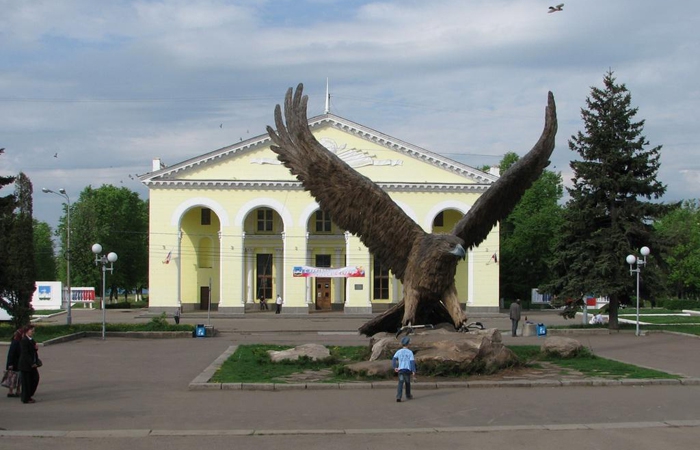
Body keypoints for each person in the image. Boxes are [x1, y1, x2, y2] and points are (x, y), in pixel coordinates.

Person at [18, 325, 40, 404]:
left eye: (33, 330)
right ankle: (26, 398)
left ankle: (28, 396)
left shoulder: (31, 340)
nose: (33, 332)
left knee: (35, 379)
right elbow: (25, 353)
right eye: (31, 330)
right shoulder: (24, 340)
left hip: (31, 364)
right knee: (26, 382)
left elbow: (32, 351)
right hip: (26, 365)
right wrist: (32, 363)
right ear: (27, 331)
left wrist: (35, 349)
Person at [393, 336, 416, 402]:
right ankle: (408, 395)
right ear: (408, 344)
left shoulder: (399, 351)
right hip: (407, 370)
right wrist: (413, 370)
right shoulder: (410, 352)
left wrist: (395, 367)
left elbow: (394, 359)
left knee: (400, 382)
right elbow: (412, 362)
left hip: (400, 369)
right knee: (407, 382)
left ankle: (398, 396)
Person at [4, 328, 22, 398]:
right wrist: (10, 364)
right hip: (14, 363)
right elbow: (11, 354)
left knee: (17, 377)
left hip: (17, 363)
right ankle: (12, 391)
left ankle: (17, 390)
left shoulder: (18, 342)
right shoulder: (15, 342)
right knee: (13, 377)